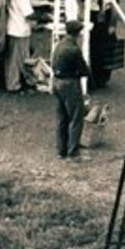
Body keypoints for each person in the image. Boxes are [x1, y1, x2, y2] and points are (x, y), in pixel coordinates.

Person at [52, 19, 91, 161]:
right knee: (76, 117)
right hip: (70, 84)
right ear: (78, 33)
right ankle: (73, 152)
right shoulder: (74, 49)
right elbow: (84, 70)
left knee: (62, 117)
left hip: (56, 81)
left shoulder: (59, 45)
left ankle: (61, 150)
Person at [3, 0, 37, 92]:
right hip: (18, 29)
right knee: (17, 60)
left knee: (18, 58)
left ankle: (20, 81)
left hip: (14, 28)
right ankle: (13, 84)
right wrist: (43, 16)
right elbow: (28, 13)